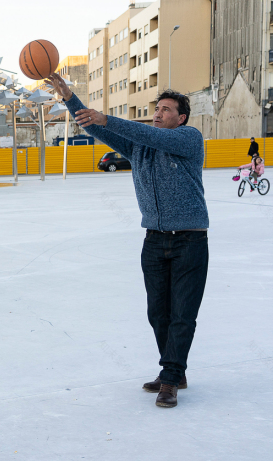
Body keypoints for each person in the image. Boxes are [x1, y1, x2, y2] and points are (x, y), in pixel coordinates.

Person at [47, 74, 209, 409]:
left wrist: (109, 117)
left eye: (165, 110)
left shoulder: (189, 139)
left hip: (190, 241)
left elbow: (141, 131)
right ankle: (174, 371)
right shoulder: (140, 146)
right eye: (157, 108)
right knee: (157, 313)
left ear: (181, 118)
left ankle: (170, 377)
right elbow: (99, 129)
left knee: (182, 314)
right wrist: (69, 99)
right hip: (153, 240)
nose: (157, 113)